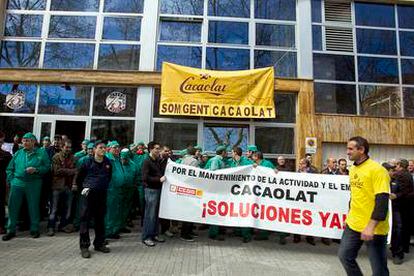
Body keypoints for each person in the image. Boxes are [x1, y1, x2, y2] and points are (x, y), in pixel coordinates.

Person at [338, 136, 390, 276]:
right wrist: (349, 216)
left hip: (375, 229)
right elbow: (355, 196)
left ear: (361, 150)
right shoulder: (353, 169)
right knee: (345, 256)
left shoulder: (378, 170)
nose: (347, 152)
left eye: (350, 148)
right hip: (353, 224)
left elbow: (382, 201)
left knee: (379, 270)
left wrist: (370, 226)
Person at [3, 133, 50, 241]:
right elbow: (9, 168)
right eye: (23, 141)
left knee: (33, 206)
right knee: (12, 206)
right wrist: (11, 180)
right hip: (17, 183)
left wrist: (36, 170)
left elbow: (47, 167)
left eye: (27, 141)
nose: (25, 143)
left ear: (33, 142)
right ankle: (11, 230)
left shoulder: (41, 153)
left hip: (34, 183)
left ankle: (34, 229)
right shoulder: (18, 153)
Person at [76, 141, 112, 258]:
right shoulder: (87, 162)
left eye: (104, 148)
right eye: (100, 148)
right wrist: (86, 188)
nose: (103, 149)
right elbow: (79, 178)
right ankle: (84, 246)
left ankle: (99, 243)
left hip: (101, 195)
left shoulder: (107, 162)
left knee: (100, 219)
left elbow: (109, 177)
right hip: (88, 195)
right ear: (95, 149)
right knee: (85, 220)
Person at [46, 140, 77, 236]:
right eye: (67, 147)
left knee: (67, 208)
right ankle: (51, 227)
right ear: (62, 147)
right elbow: (57, 171)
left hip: (69, 186)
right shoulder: (56, 156)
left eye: (70, 147)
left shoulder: (73, 158)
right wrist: (71, 171)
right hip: (57, 186)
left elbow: (77, 171)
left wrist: (73, 179)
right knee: (54, 209)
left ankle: (62, 226)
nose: (68, 149)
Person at [141, 141, 167, 247]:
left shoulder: (157, 160)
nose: (158, 150)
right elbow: (145, 178)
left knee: (156, 214)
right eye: (156, 148)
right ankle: (146, 237)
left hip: (157, 189)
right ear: (151, 149)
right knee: (150, 215)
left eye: (159, 148)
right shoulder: (147, 161)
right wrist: (158, 179)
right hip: (151, 190)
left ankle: (154, 234)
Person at [228, 146, 253, 243]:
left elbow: (254, 168)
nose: (231, 154)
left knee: (244, 212)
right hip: (234, 191)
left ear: (235, 153)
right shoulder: (232, 162)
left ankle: (246, 235)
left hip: (244, 191)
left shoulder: (246, 161)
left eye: (232, 152)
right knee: (235, 211)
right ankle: (237, 231)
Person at [391, 159, 414, 258]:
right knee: (404, 227)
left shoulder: (400, 175)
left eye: (395, 165)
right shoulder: (408, 174)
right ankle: (404, 247)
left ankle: (399, 249)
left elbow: (404, 191)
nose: (394, 167)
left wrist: (396, 195)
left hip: (400, 205)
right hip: (406, 205)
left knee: (398, 228)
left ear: (399, 165)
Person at [293, 158, 317, 246]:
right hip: (300, 197)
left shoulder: (313, 172)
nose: (300, 165)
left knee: (309, 218)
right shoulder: (297, 172)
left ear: (306, 164)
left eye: (302, 163)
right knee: (297, 217)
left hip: (310, 198)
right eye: (299, 164)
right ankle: (297, 236)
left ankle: (309, 237)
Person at [180, 147, 201, 242]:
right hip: (192, 187)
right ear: (194, 152)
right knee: (190, 211)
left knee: (186, 211)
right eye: (197, 151)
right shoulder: (194, 161)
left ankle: (188, 231)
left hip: (184, 187)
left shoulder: (183, 160)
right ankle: (186, 233)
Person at [207, 145, 227, 241]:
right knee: (216, 211)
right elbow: (214, 173)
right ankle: (213, 233)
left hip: (218, 189)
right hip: (216, 190)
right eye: (226, 152)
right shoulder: (216, 160)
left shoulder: (219, 160)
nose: (227, 154)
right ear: (222, 152)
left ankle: (217, 231)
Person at [105, 141, 124, 239]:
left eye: (118, 147)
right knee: (109, 212)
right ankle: (107, 232)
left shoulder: (117, 159)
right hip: (110, 189)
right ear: (109, 149)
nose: (117, 149)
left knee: (116, 211)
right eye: (114, 147)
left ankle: (113, 231)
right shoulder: (107, 159)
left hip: (117, 189)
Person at [119, 149, 138, 234]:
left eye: (125, 158)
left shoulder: (133, 165)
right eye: (122, 158)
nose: (123, 160)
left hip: (130, 189)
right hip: (119, 190)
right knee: (119, 208)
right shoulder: (117, 164)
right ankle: (117, 226)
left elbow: (136, 176)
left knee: (126, 208)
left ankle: (123, 224)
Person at [0, 134, 12, 234]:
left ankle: (1, 226)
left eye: (1, 142)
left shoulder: (6, 155)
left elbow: (11, 168)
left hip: (2, 182)